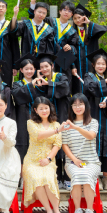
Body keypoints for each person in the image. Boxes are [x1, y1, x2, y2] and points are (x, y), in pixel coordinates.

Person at [28, 53, 71, 189]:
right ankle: (57, 176)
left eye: (46, 66)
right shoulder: (39, 80)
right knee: (53, 143)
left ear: (52, 66)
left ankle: (67, 177)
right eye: (42, 67)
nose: (44, 69)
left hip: (62, 113)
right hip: (49, 118)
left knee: (65, 142)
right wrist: (41, 83)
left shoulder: (60, 76)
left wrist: (50, 84)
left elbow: (66, 88)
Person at [22, 97, 65, 213]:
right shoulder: (31, 123)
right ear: (36, 110)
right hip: (32, 161)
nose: (44, 111)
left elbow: (57, 144)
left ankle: (56, 210)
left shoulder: (56, 124)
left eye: (46, 108)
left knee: (48, 178)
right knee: (36, 178)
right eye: (41, 108)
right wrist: (56, 131)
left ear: (50, 108)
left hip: (48, 160)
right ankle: (49, 210)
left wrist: (48, 159)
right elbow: (38, 135)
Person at [61, 94, 101, 213]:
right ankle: (77, 209)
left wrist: (76, 127)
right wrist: (75, 160)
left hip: (91, 162)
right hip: (72, 162)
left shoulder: (93, 122)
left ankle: (89, 210)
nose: (78, 107)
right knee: (77, 175)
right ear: (71, 107)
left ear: (86, 106)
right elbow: (64, 145)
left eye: (80, 104)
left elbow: (90, 136)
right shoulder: (66, 125)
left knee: (87, 174)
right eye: (75, 105)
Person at [27, 0, 79, 89]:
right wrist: (32, 3)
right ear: (60, 11)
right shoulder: (50, 21)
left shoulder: (73, 31)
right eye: (64, 9)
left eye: (69, 11)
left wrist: (70, 47)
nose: (66, 12)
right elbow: (34, 17)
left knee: (62, 82)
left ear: (72, 14)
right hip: (48, 57)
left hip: (62, 60)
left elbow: (74, 48)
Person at [82, 49, 107, 190]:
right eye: (98, 64)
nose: (101, 66)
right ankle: (95, 177)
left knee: (106, 145)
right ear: (93, 65)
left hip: (105, 117)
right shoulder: (89, 76)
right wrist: (103, 82)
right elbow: (89, 88)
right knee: (93, 144)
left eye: (103, 64)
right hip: (93, 115)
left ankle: (106, 177)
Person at [72, 3, 107, 93]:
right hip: (77, 65)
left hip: (90, 64)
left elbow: (103, 29)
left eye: (79, 17)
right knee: (78, 87)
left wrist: (89, 22)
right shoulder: (71, 32)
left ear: (84, 17)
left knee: (91, 84)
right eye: (75, 18)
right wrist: (72, 66)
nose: (77, 20)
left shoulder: (91, 31)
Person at [10, 53, 39, 165]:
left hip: (37, 118)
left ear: (35, 69)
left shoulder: (40, 83)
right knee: (22, 142)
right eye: (26, 69)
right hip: (22, 117)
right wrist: (31, 85)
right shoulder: (17, 84)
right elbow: (17, 96)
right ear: (21, 70)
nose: (29, 71)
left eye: (31, 69)